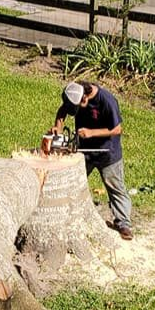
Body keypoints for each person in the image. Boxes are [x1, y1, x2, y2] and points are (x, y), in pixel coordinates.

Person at [51, 80, 133, 240]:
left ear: (85, 98)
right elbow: (62, 112)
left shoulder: (107, 101)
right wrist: (58, 129)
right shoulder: (75, 94)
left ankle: (124, 223)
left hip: (107, 152)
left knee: (115, 188)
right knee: (73, 183)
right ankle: (65, 215)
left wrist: (91, 133)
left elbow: (117, 129)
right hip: (83, 151)